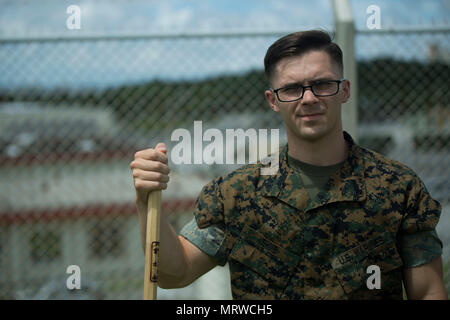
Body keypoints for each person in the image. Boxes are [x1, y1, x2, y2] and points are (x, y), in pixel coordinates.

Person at [130, 30, 448, 300]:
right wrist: (146, 201)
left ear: (344, 90)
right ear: (273, 100)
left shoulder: (398, 187)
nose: (308, 98)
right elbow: (174, 273)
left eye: (322, 84)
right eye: (292, 89)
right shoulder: (237, 193)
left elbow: (428, 292)